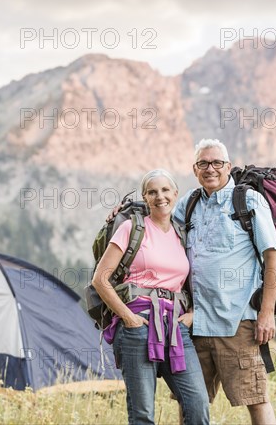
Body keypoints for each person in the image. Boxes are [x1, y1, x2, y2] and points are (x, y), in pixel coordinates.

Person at [172, 138, 276, 425]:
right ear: (195, 169)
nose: (210, 168)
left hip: (238, 322)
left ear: (228, 167)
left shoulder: (248, 201)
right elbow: (157, 225)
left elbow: (273, 258)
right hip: (194, 323)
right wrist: (127, 215)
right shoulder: (189, 203)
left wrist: (267, 313)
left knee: (255, 398)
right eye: (203, 163)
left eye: (217, 162)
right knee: (190, 400)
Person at [92, 169, 210, 425]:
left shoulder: (182, 234)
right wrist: (128, 318)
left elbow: (193, 282)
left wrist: (192, 315)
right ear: (145, 198)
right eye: (152, 192)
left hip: (176, 329)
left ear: (175, 194)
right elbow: (100, 279)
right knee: (143, 414)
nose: (160, 197)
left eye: (165, 190)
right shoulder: (131, 228)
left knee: (197, 404)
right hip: (138, 326)